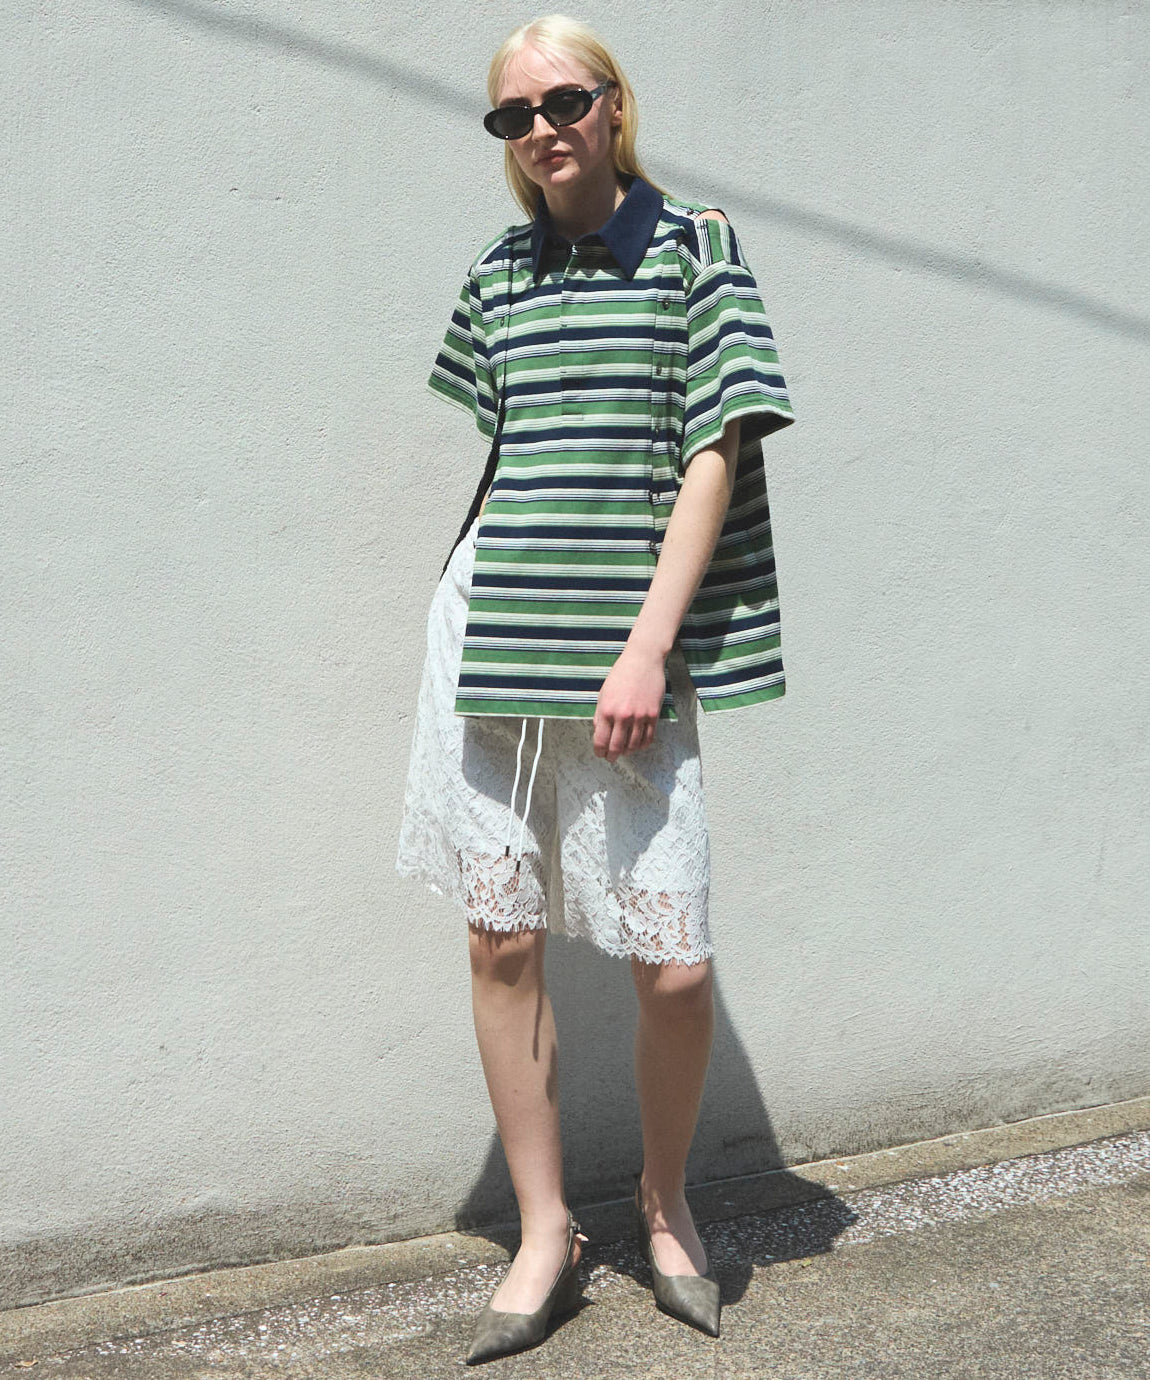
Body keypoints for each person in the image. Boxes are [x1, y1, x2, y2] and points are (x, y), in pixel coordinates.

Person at [395, 13, 795, 1365]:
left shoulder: (695, 248)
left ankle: (665, 1200)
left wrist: (648, 644)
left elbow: (712, 450)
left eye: (564, 100)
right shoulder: (496, 275)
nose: (542, 128)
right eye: (513, 114)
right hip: (496, 638)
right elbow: (517, 458)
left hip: (627, 651)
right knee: (500, 942)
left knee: (673, 967)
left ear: (614, 103)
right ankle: (545, 1228)